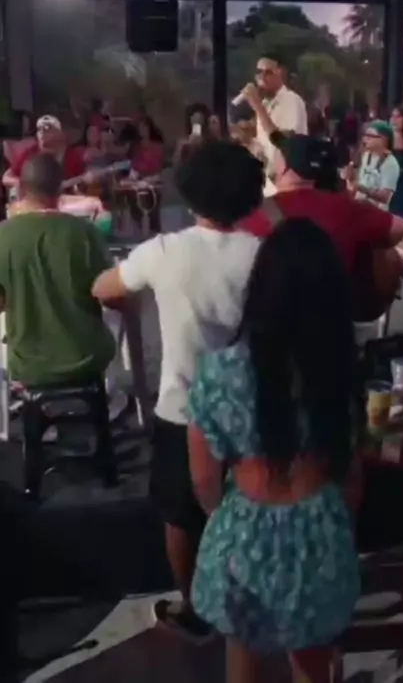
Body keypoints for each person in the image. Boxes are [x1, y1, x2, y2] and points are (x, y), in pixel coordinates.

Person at [91, 140, 265, 639]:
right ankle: (253, 593)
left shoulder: (165, 251)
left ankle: (194, 605)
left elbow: (105, 287)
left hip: (183, 408)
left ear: (189, 194)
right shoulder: (265, 253)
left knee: (181, 514)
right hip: (251, 406)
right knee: (251, 502)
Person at [188, 218, 359, 682]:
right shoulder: (338, 369)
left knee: (242, 657)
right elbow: (351, 473)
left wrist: (222, 516)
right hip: (320, 524)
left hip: (245, 527)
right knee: (313, 663)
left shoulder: (219, 372)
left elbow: (203, 478)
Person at [0, 154, 115, 388]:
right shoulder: (85, 233)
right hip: (86, 360)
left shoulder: (4, 235)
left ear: (22, 190)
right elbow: (110, 296)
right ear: (60, 190)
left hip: (29, 366)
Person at [239, 132, 403, 275]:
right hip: (335, 305)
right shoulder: (349, 209)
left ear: (283, 166)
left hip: (279, 306)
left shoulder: (257, 213)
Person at [235, 53, 308, 173]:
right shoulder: (265, 104)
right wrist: (248, 140)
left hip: (287, 178)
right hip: (268, 179)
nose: (262, 77)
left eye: (268, 73)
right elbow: (266, 146)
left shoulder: (291, 99)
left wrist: (257, 106)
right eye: (259, 72)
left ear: (281, 74)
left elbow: (283, 141)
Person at [2, 115, 87, 192]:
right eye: (39, 129)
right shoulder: (31, 152)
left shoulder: (72, 155)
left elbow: (83, 179)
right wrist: (20, 184)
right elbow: (7, 177)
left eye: (47, 129)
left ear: (60, 133)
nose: (41, 132)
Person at [349, 120, 400, 210]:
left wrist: (361, 188)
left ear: (384, 139)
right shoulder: (366, 155)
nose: (365, 139)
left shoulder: (390, 163)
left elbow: (385, 197)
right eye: (365, 135)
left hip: (376, 212)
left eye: (370, 136)